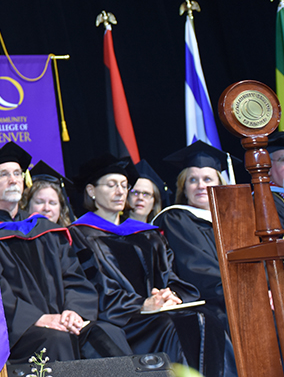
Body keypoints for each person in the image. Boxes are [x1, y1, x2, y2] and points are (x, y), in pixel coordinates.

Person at [70, 156, 233, 377]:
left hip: (159, 311)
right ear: (91, 191)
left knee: (205, 319)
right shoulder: (78, 235)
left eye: (124, 185)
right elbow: (94, 287)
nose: (120, 192)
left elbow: (169, 274)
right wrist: (143, 304)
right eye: (111, 185)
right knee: (172, 326)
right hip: (124, 318)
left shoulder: (148, 234)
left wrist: (171, 295)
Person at [0, 143, 131, 365]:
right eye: (3, 174)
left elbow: (74, 277)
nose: (13, 180)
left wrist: (73, 311)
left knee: (107, 333)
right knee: (57, 340)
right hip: (18, 331)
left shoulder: (46, 229)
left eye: (17, 173)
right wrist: (37, 319)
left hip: (61, 321)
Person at [152, 142, 231, 331]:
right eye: (193, 180)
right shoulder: (176, 218)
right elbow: (197, 269)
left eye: (207, 179)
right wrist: (242, 291)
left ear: (220, 184)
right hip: (209, 302)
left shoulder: (235, 222)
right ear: (184, 187)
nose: (201, 186)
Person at [19, 160, 75, 227]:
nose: (46, 208)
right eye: (39, 202)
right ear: (27, 205)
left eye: (52, 203)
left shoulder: (71, 236)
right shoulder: (16, 235)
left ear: (61, 208)